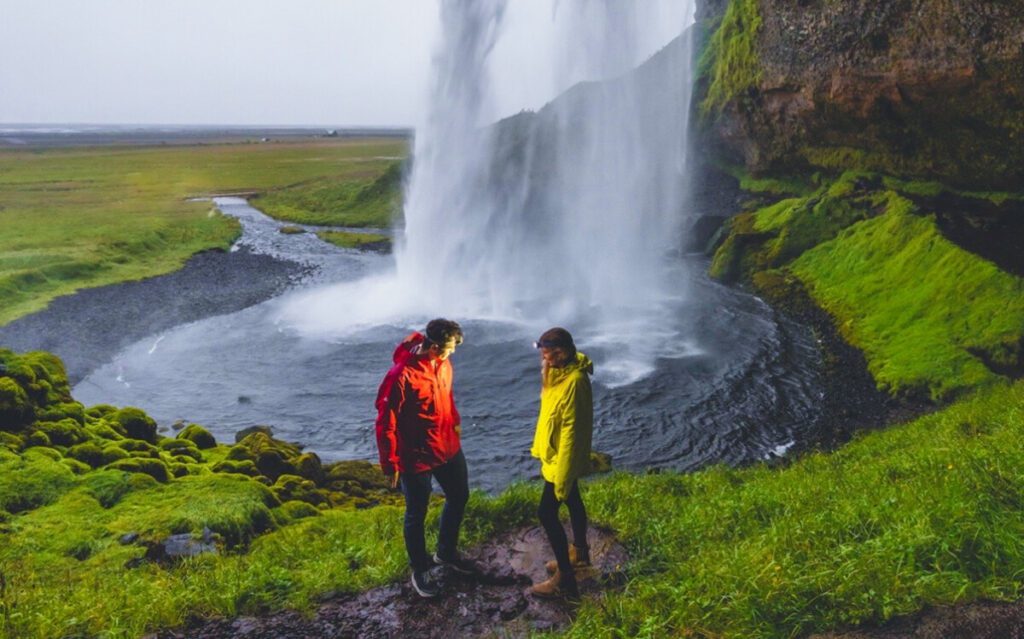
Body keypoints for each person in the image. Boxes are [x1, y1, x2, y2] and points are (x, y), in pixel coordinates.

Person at [375, 318, 473, 598]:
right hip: (414, 456)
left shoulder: (443, 364)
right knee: (416, 513)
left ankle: (446, 553)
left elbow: (447, 398)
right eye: (449, 348)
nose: (452, 353)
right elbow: (385, 421)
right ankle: (420, 570)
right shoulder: (401, 375)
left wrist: (455, 424)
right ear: (432, 347)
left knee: (459, 495)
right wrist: (390, 463)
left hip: (446, 446)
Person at [529, 327, 593, 599]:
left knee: (546, 513)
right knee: (574, 500)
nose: (544, 358)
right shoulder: (558, 372)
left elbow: (571, 431)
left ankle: (565, 577)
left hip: (561, 461)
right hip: (555, 457)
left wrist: (564, 476)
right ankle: (580, 554)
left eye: (547, 353)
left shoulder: (575, 380)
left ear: (562, 351)